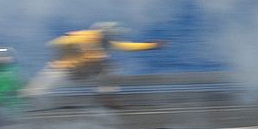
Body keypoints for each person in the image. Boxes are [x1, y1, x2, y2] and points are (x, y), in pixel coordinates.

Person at [23, 22, 166, 103]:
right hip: (62, 70)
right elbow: (56, 43)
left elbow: (126, 46)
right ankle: (20, 103)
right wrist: (69, 47)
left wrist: (151, 46)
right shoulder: (85, 37)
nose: (112, 38)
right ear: (104, 33)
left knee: (110, 67)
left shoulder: (105, 42)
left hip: (82, 71)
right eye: (111, 35)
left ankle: (107, 96)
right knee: (34, 91)